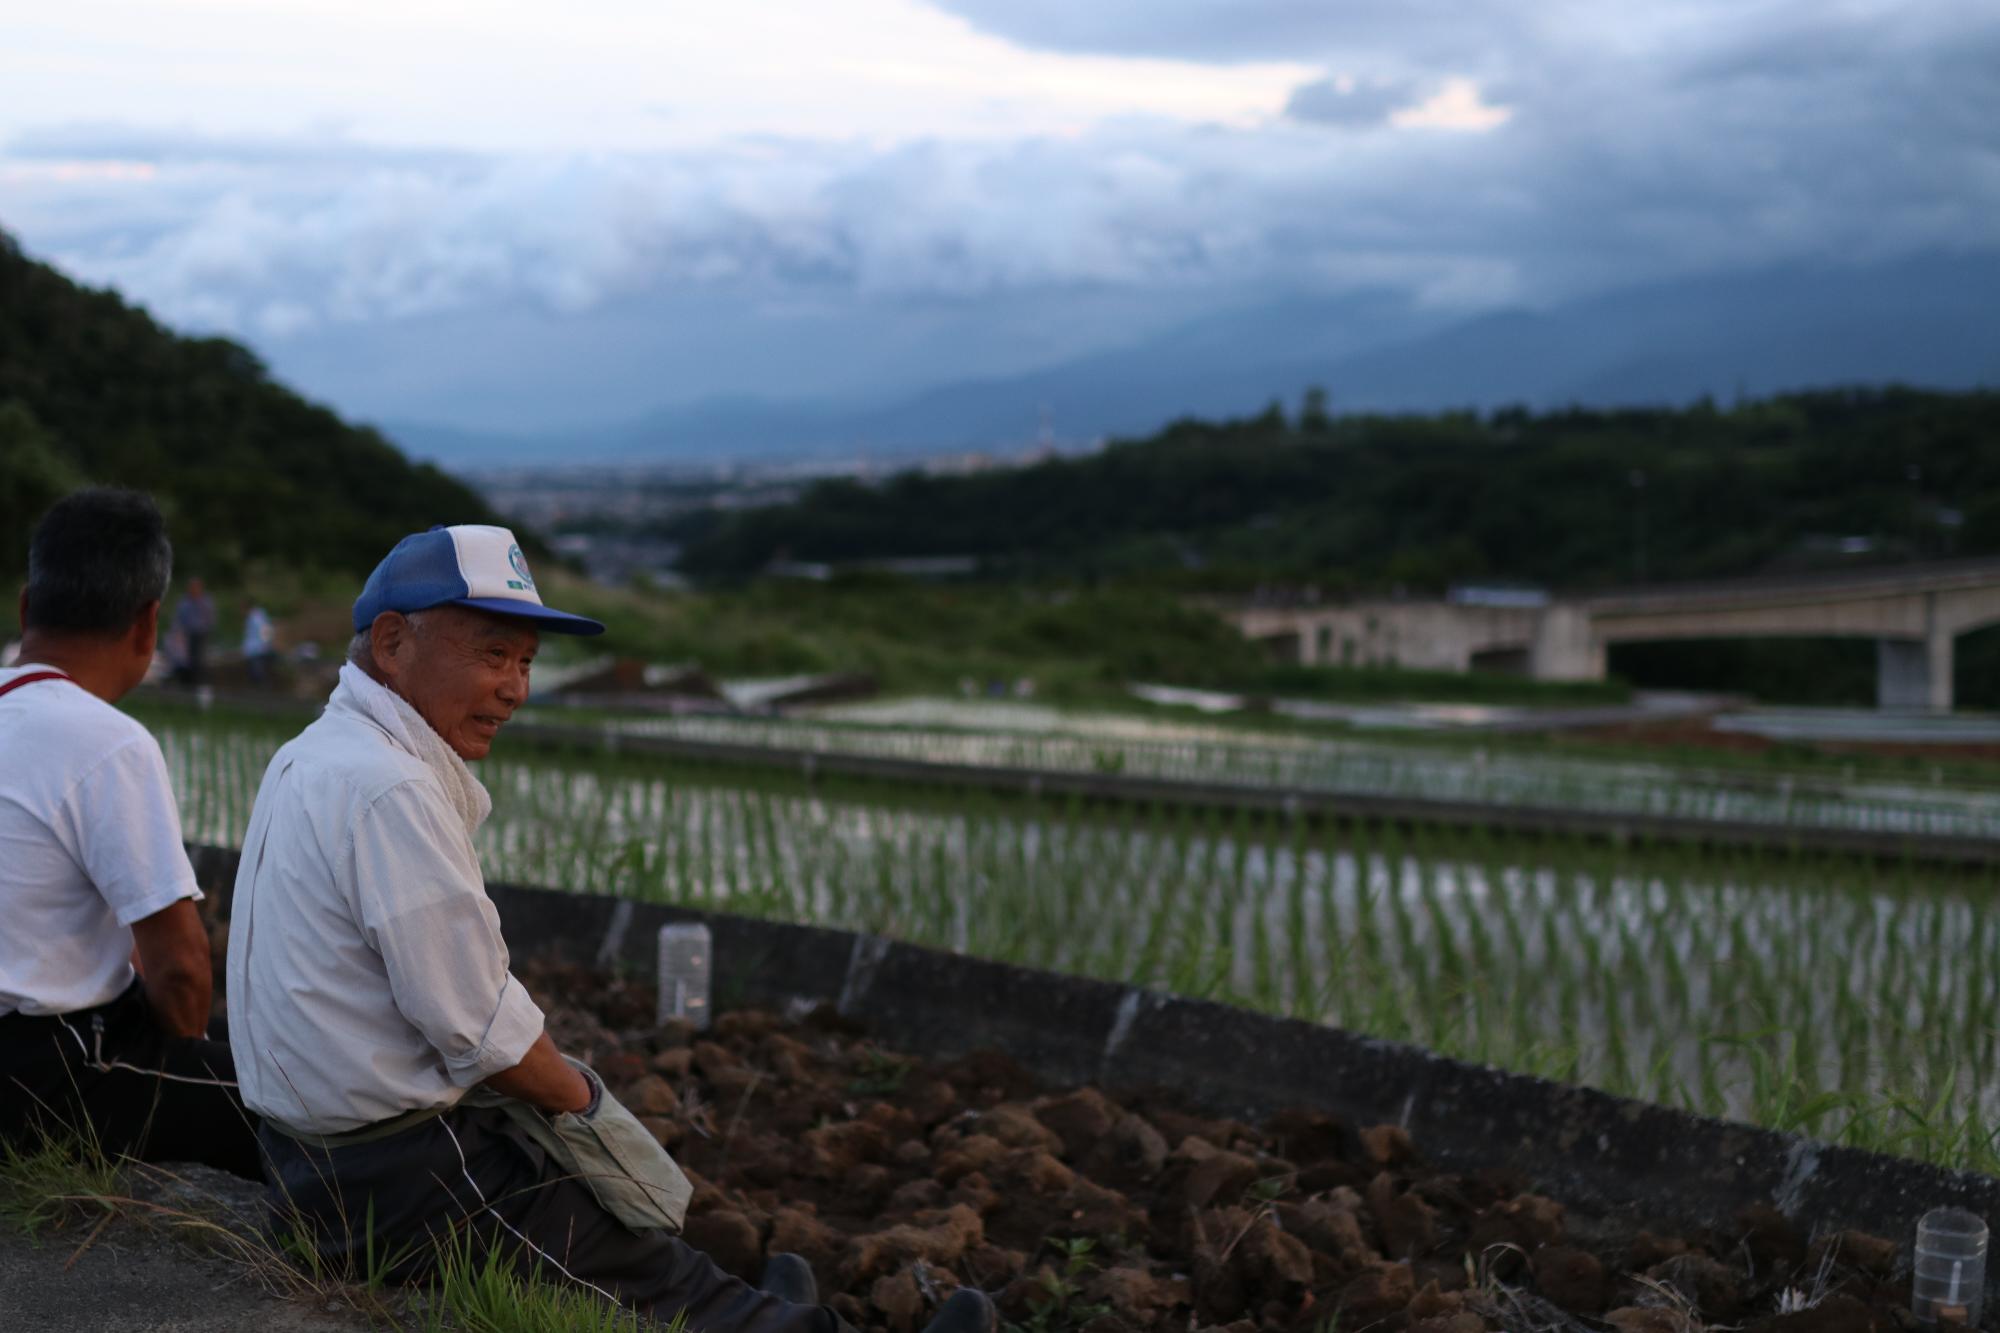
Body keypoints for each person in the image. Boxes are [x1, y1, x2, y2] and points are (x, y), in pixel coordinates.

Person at [226, 524, 992, 1332]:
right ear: (392, 642)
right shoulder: (390, 788)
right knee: (611, 1242)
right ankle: (766, 1316)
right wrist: (588, 1105)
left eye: (525, 661)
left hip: (307, 1160)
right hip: (397, 1180)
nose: (515, 688)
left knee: (595, 1208)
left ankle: (743, 1295)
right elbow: (487, 1034)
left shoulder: (315, 752)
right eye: (493, 654)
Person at [0, 489, 260, 1179]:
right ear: (148, 625)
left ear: (28, 608)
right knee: (291, 1103)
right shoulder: (108, 742)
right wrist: (186, 1059)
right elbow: (179, 970)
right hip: (43, 1075)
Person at [171, 576, 214, 687]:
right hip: (187, 634)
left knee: (200, 658)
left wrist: (206, 628)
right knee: (187, 658)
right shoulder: (185, 603)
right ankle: (189, 683)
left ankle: (200, 682)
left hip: (201, 633)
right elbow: (178, 619)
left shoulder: (205, 601)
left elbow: (210, 618)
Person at [241, 598, 276, 685]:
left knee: (259, 672)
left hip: (257, 649)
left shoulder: (256, 617)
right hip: (254, 649)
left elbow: (266, 629)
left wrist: (266, 644)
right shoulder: (253, 616)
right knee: (255, 672)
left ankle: (264, 690)